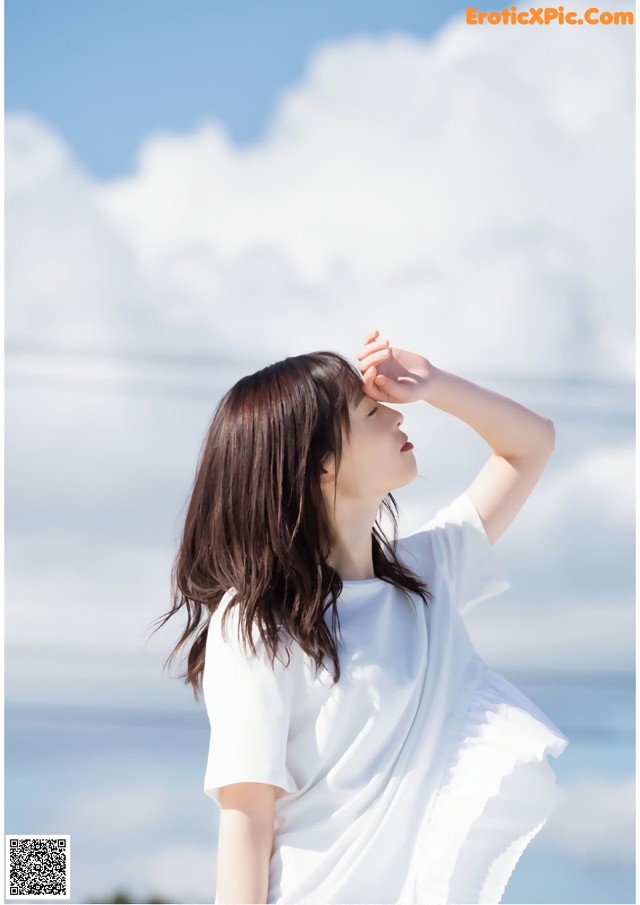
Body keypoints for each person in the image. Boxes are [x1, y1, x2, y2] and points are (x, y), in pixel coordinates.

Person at [159, 328, 569, 904]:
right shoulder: (255, 623)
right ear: (321, 466)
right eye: (373, 411)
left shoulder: (431, 574)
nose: (401, 419)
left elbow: (532, 443)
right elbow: (247, 818)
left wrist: (435, 384)